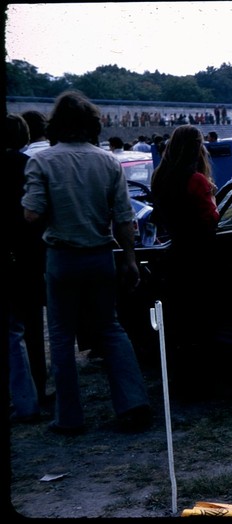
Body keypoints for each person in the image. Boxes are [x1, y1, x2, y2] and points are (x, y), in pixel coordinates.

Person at [21, 90, 152, 435]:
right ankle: (133, 402)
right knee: (110, 328)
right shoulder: (108, 162)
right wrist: (130, 259)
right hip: (100, 255)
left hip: (62, 257)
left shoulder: (42, 162)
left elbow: (32, 214)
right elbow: (124, 218)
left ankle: (69, 417)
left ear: (56, 124)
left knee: (62, 336)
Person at [150, 125, 220, 398]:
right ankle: (202, 381)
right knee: (202, 320)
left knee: (180, 322)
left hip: (175, 254)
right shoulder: (197, 180)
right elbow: (211, 219)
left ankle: (181, 380)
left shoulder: (160, 177)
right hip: (201, 256)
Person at [5, 113, 42, 423]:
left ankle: (23, 396)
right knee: (32, 323)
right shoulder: (28, 165)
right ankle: (38, 386)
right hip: (29, 252)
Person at [19, 110, 51, 405]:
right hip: (53, 246)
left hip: (25, 251)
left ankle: (35, 381)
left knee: (28, 323)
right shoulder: (49, 157)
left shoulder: (28, 160)